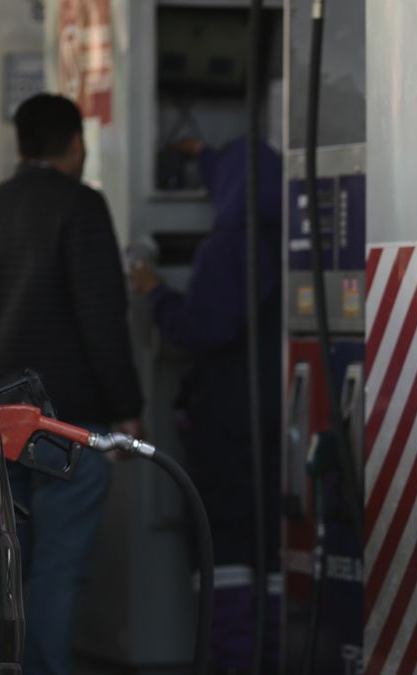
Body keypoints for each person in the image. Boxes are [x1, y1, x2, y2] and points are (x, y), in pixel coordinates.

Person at [0, 93, 144, 675]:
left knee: (7, 568)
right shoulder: (80, 207)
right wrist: (127, 407)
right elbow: (101, 316)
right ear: (75, 144)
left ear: (19, 146)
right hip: (64, 423)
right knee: (59, 568)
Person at [127, 138, 283, 674]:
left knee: (228, 549)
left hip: (227, 424)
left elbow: (203, 328)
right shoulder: (292, 244)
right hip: (279, 423)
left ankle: (234, 659)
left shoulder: (228, 249)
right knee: (273, 549)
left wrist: (155, 293)